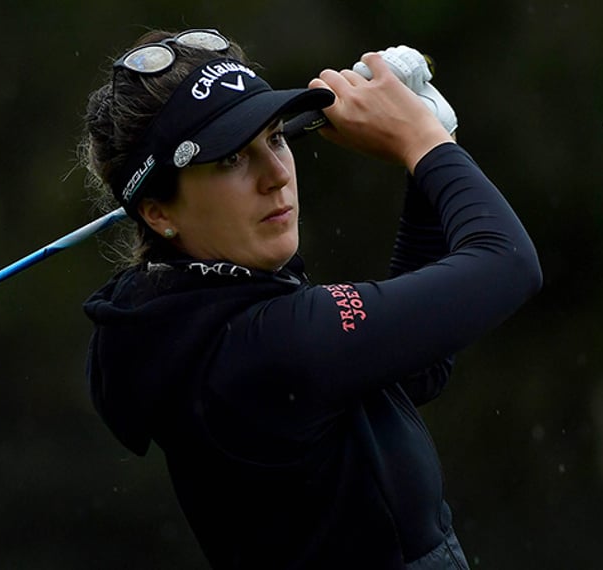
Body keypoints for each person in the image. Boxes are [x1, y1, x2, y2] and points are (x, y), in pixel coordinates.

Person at [78, 29, 542, 569]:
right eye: (231, 159)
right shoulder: (266, 344)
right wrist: (424, 145)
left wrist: (431, 153)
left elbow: (418, 368)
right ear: (158, 212)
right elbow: (507, 261)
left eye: (275, 138)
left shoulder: (191, 314)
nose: (276, 175)